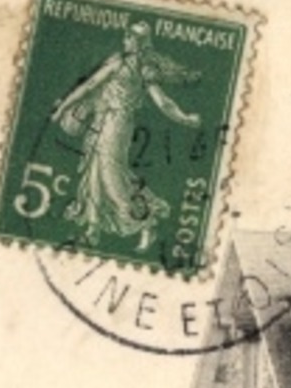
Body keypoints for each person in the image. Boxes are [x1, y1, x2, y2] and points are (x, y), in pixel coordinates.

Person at [49, 21, 203, 251]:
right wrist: (63, 108)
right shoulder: (118, 62)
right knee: (94, 172)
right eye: (126, 37)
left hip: (117, 125)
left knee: (112, 176)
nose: (125, 40)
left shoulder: (141, 69)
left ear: (139, 43)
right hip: (103, 121)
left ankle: (146, 223)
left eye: (129, 38)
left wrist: (184, 118)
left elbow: (163, 102)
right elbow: (89, 86)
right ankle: (92, 229)